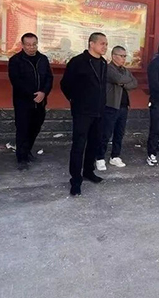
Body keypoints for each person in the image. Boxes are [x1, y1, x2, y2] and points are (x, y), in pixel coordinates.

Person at [60, 32, 108, 196]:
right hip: (82, 111)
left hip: (99, 111)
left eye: (106, 44)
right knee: (79, 145)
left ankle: (88, 171)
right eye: (102, 43)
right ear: (91, 44)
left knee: (94, 143)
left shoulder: (103, 63)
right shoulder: (78, 62)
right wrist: (75, 100)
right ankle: (75, 180)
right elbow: (65, 84)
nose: (105, 47)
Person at [8, 32, 53, 171]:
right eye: (28, 45)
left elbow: (49, 78)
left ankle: (27, 151)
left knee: (35, 127)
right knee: (23, 129)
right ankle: (21, 157)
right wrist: (33, 95)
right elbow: (16, 81)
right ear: (22, 45)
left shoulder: (43, 59)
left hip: (40, 102)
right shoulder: (16, 60)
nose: (31, 47)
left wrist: (43, 93)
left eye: (34, 44)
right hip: (23, 102)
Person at [96, 45, 138, 170]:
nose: (124, 59)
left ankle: (115, 156)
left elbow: (134, 83)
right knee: (106, 133)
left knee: (119, 133)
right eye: (121, 56)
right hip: (111, 106)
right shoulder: (109, 68)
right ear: (114, 56)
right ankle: (100, 157)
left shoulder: (125, 70)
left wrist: (123, 83)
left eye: (125, 56)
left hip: (123, 106)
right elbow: (118, 78)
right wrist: (125, 81)